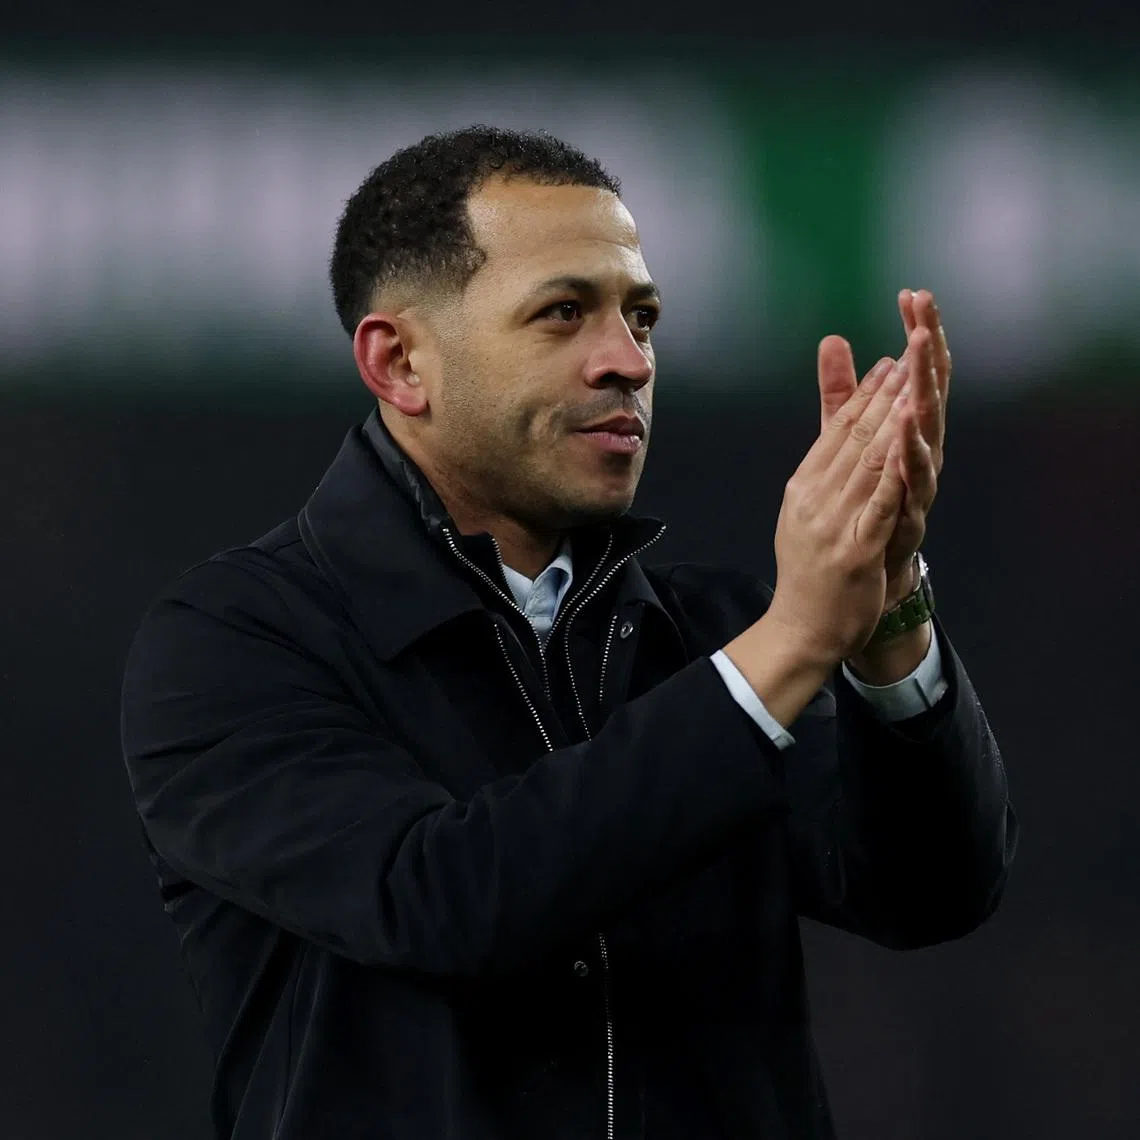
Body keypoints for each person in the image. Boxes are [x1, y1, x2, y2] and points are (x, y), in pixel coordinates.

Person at [120, 126, 1017, 1140]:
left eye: (642, 317)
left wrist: (887, 609)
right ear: (401, 360)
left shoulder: (710, 634)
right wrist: (795, 643)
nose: (627, 362)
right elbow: (443, 897)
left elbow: (929, 895)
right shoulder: (233, 643)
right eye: (564, 314)